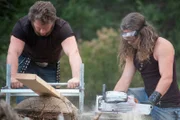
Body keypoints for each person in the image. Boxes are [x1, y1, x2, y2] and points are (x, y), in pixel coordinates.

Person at [7, 1, 82, 102]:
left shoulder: (62, 28)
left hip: (51, 65)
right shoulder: (22, 26)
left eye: (46, 28)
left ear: (53, 21)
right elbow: (13, 52)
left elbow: (73, 52)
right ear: (32, 21)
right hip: (27, 62)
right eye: (38, 28)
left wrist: (76, 77)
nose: (42, 32)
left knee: (51, 103)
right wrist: (13, 76)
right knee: (24, 102)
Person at [114, 12, 180, 120]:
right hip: (147, 95)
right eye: (125, 36)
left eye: (131, 35)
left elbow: (167, 78)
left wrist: (151, 101)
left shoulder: (162, 46)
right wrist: (112, 99)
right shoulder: (132, 50)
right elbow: (125, 79)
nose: (128, 40)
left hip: (168, 105)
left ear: (142, 32)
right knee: (123, 96)